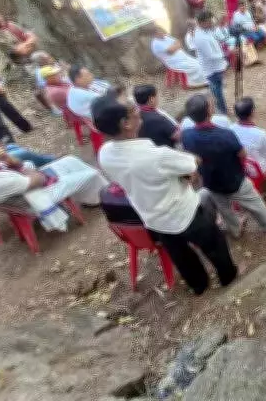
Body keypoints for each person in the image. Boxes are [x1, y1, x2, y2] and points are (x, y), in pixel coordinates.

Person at [94, 95, 239, 295]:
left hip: (153, 217)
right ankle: (228, 277)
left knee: (180, 255)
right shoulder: (156, 155)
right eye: (132, 109)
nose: (137, 110)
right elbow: (191, 163)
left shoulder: (105, 153)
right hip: (183, 212)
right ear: (125, 123)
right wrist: (191, 163)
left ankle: (198, 285)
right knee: (214, 243)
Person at [181, 94, 266, 238]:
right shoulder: (225, 134)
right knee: (254, 201)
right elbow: (242, 154)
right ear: (209, 111)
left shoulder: (186, 135)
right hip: (233, 179)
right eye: (211, 104)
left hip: (210, 180)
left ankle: (236, 229)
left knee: (224, 207)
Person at [0, 142, 106, 232]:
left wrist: (6, 157)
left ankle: (92, 197)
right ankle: (101, 199)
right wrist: (25, 169)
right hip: (33, 198)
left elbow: (20, 166)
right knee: (91, 174)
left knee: (70, 160)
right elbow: (38, 179)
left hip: (25, 186)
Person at [187, 11, 229, 115]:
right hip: (211, 68)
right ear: (202, 23)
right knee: (217, 90)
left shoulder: (206, 30)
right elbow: (210, 56)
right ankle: (222, 110)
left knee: (217, 88)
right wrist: (226, 54)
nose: (211, 23)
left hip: (217, 65)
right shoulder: (200, 37)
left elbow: (216, 39)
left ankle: (220, 107)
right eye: (209, 21)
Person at [230, 97, 266, 174]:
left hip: (238, 165)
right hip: (256, 170)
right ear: (252, 112)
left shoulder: (230, 129)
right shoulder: (260, 133)